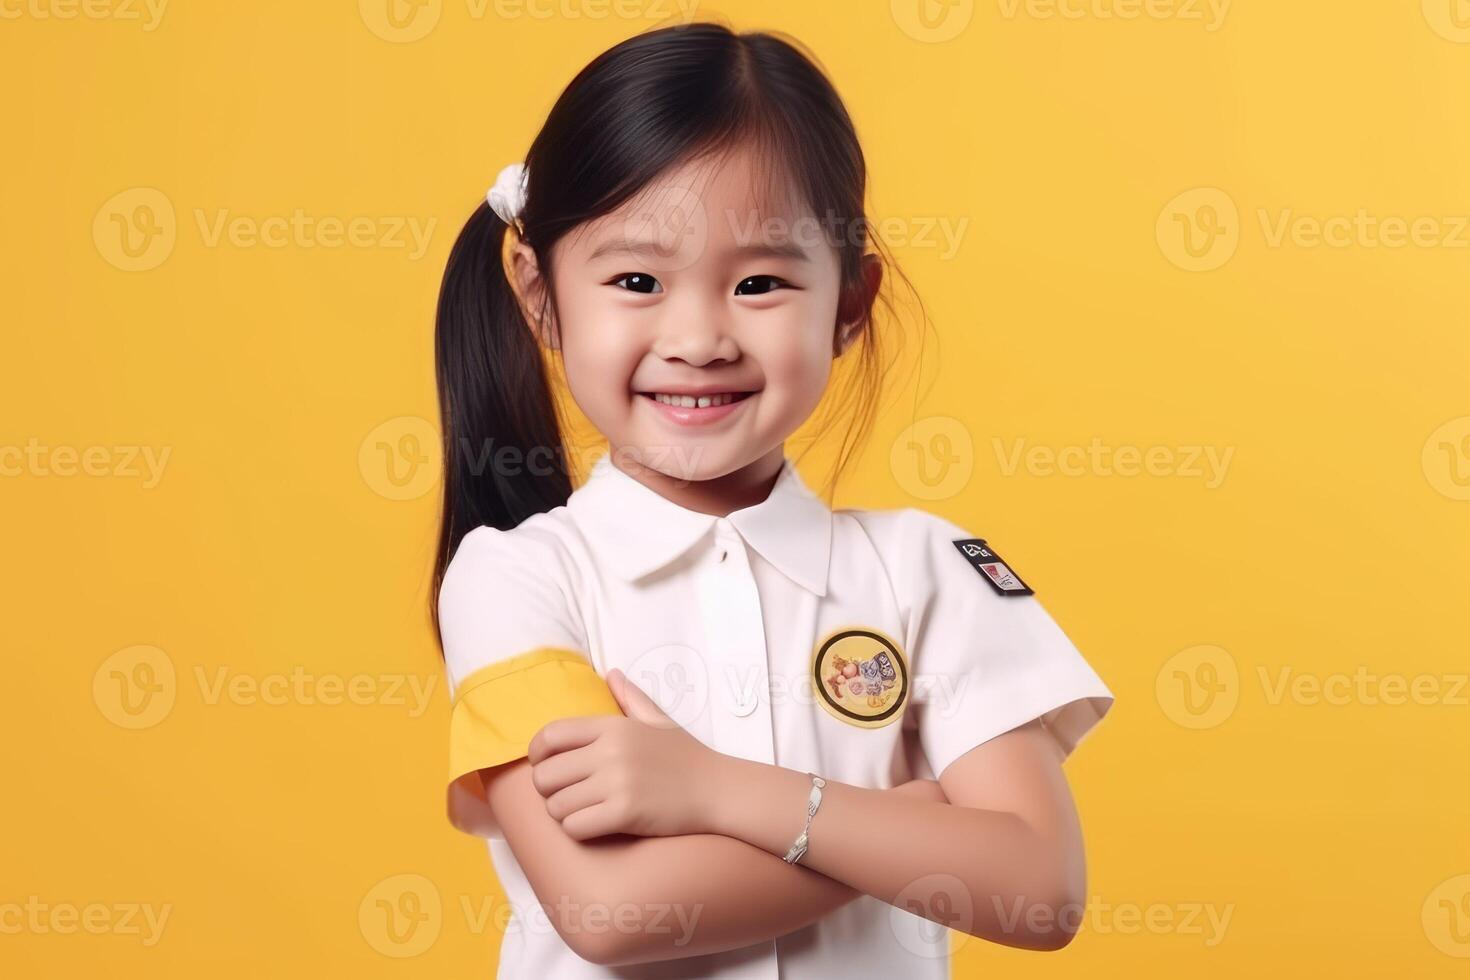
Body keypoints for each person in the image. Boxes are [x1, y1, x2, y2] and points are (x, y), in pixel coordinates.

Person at [431, 20, 1114, 978]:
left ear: (848, 305)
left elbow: (1039, 890)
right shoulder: (514, 579)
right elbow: (611, 910)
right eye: (637, 280)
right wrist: (913, 826)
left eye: (759, 282)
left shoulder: (926, 571)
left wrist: (714, 791)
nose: (700, 336)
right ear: (540, 296)